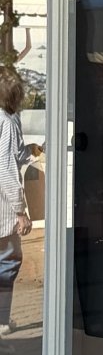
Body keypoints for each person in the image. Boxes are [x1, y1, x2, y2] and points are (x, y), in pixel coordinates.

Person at [0, 67, 36, 338]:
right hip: (3, 209)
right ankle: (1, 321)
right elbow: (6, 168)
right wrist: (20, 211)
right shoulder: (7, 121)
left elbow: (13, 156)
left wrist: (30, 150)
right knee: (9, 261)